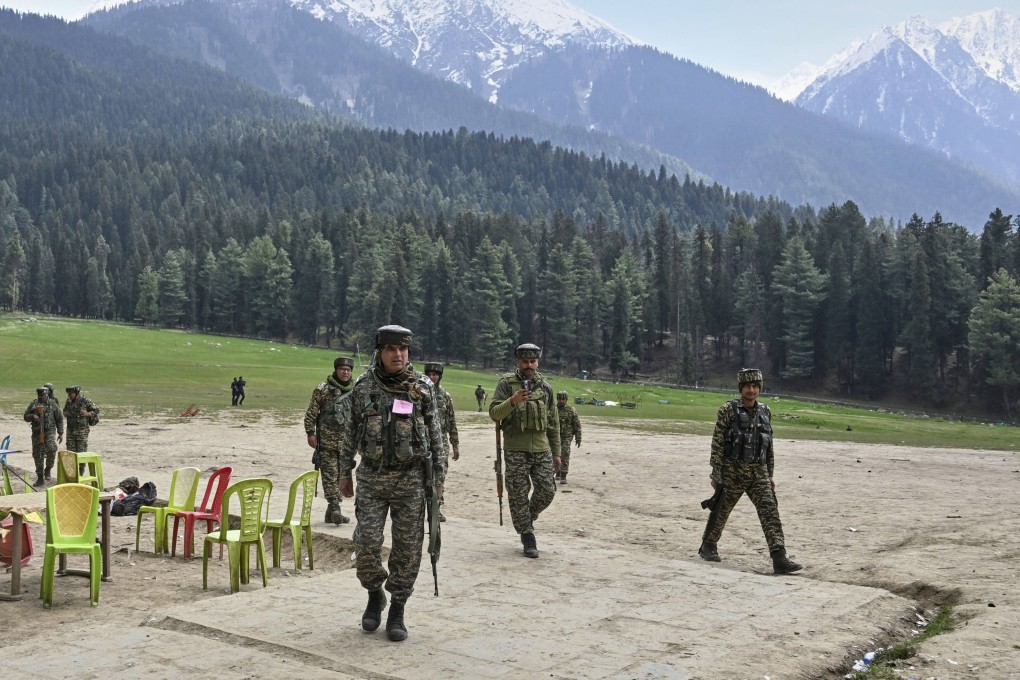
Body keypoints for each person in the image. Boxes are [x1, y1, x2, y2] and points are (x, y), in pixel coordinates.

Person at [338, 325, 445, 642]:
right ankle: (374, 593)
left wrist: (439, 480)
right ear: (380, 351)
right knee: (366, 542)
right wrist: (345, 471)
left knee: (408, 549)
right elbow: (349, 432)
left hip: (411, 478)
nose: (398, 355)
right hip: (371, 476)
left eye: (403, 349)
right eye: (391, 349)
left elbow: (436, 437)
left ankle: (397, 607)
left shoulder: (422, 387)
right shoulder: (362, 387)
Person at [698, 368, 802, 575]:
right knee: (721, 511)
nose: (751, 390)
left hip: (759, 473)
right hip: (733, 472)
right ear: (741, 388)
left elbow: (769, 445)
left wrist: (770, 474)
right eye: (747, 386)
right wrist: (716, 473)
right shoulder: (728, 410)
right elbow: (717, 442)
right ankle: (708, 545)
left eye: (755, 386)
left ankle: (779, 558)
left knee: (770, 511)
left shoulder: (765, 411)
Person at [488, 343, 560, 558]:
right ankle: (527, 536)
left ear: (537, 362)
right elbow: (494, 414)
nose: (529, 365)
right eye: (525, 361)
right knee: (518, 494)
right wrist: (512, 401)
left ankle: (529, 515)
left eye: (533, 361)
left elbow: (553, 422)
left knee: (547, 490)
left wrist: (557, 453)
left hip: (541, 448)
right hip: (515, 449)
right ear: (518, 362)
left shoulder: (545, 387)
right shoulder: (506, 385)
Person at [304, 356, 356, 524]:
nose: (345, 372)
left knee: (342, 475)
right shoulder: (323, 389)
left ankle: (330, 511)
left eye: (348, 370)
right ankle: (335, 507)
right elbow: (311, 413)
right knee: (330, 474)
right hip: (326, 442)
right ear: (336, 370)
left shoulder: (356, 391)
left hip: (347, 445)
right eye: (342, 369)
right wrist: (311, 433)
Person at [424, 362, 459, 522]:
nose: (432, 377)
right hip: (422, 441)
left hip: (441, 443)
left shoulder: (445, 396)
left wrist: (455, 444)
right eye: (429, 374)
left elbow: (451, 422)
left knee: (439, 476)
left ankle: (436, 509)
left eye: (435, 374)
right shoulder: (418, 394)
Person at [23, 385, 63, 486]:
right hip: (37, 432)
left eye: (43, 395)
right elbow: (25, 416)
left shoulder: (53, 404)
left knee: (51, 448)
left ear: (47, 394)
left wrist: (60, 432)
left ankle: (48, 468)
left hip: (49, 431)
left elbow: (59, 418)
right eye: (39, 395)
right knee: (38, 454)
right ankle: (40, 477)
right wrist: (33, 416)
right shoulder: (34, 403)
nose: (41, 397)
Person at [63, 385, 100, 453]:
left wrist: (88, 413)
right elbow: (64, 410)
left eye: (70, 394)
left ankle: (81, 464)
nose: (68, 396)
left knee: (81, 453)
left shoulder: (86, 400)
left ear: (76, 393)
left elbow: (97, 410)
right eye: (68, 394)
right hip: (70, 431)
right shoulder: (68, 401)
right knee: (71, 453)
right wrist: (65, 413)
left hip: (82, 432)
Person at [555, 391, 582, 484]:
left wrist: (578, 438)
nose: (561, 401)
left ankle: (563, 475)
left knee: (565, 454)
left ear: (566, 399)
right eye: (559, 399)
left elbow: (577, 425)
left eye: (563, 399)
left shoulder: (571, 410)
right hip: (555, 437)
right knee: (555, 454)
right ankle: (557, 472)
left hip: (567, 437)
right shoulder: (553, 409)